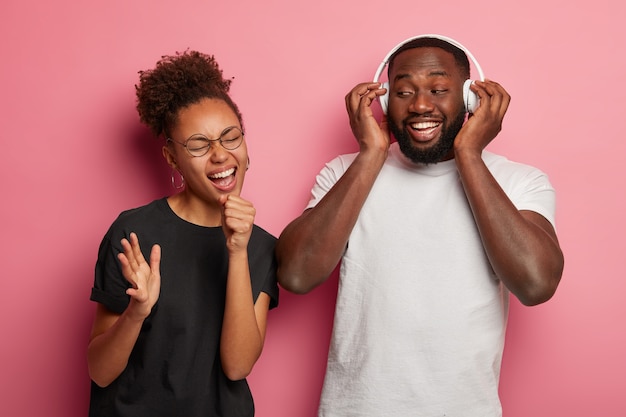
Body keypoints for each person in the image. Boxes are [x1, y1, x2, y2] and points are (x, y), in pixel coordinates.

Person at [276, 35, 564, 416]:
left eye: (439, 89)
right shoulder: (343, 174)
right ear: (382, 100)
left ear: (469, 97)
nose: (421, 105)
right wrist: (371, 155)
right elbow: (296, 274)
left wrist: (469, 154)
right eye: (404, 91)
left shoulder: (520, 182)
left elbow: (536, 283)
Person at [87, 50, 279, 417]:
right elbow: (99, 372)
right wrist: (136, 312)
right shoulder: (134, 232)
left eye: (230, 137)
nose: (220, 155)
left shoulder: (262, 247)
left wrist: (238, 251)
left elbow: (237, 366)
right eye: (198, 145)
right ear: (172, 158)